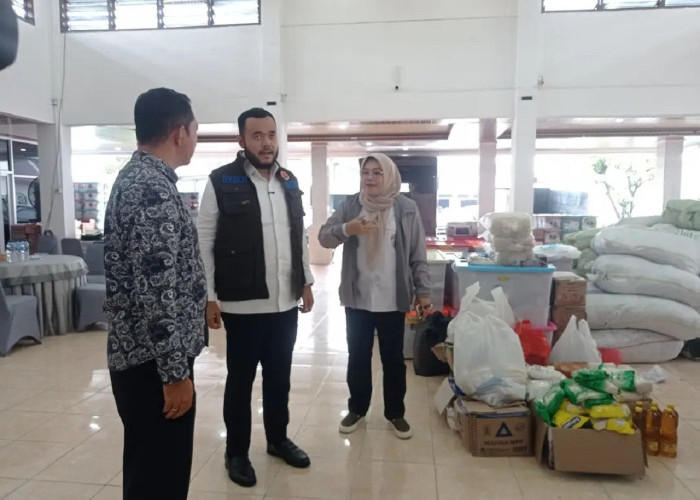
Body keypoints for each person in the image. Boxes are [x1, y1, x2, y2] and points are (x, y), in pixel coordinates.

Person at [197, 107, 314, 487]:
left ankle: (278, 440)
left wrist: (306, 280)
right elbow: (204, 241)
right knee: (241, 382)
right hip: (242, 304)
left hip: (284, 302)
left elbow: (299, 236)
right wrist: (209, 297)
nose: (266, 143)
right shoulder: (220, 181)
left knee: (279, 379)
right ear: (242, 140)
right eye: (257, 136)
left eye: (271, 135)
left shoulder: (288, 181)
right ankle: (236, 452)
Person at [104, 88, 206, 500]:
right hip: (153, 367)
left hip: (145, 360)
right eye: (195, 130)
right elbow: (156, 292)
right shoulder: (152, 190)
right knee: (160, 479)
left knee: (149, 472)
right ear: (180, 132)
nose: (195, 139)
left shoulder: (140, 178)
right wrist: (175, 374)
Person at [318, 153, 430, 439]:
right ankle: (357, 409)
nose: (369, 177)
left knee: (393, 360)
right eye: (365, 172)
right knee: (358, 356)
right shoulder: (351, 205)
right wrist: (348, 228)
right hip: (358, 297)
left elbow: (417, 254)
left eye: (377, 172)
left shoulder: (406, 208)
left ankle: (396, 413)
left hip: (393, 299)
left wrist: (423, 291)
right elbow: (324, 237)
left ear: (389, 176)